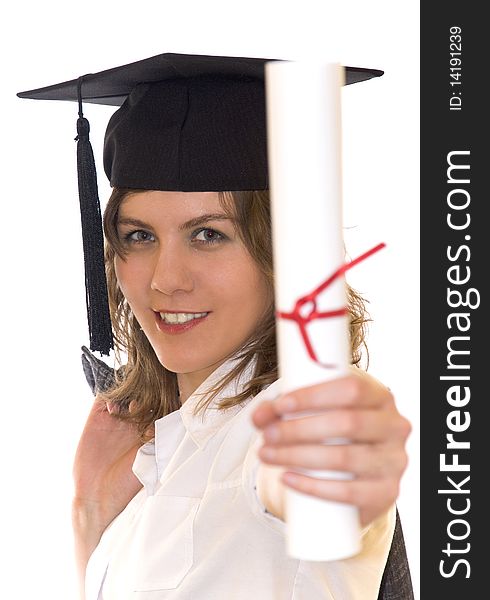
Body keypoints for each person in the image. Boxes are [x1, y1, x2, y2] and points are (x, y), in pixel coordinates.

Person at [18, 52, 412, 600]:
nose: (166, 279)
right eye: (139, 236)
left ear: (283, 251)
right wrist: (92, 512)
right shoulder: (162, 464)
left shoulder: (280, 431)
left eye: (208, 235)